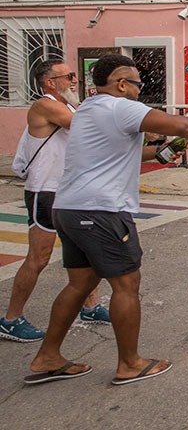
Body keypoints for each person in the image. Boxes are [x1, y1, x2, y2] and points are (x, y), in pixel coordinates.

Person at [26, 54, 188, 386]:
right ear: (122, 83)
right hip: (101, 211)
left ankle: (47, 357)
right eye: (138, 83)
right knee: (126, 285)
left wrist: (161, 153)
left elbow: (120, 150)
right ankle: (130, 363)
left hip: (69, 208)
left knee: (80, 283)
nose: (140, 90)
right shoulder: (119, 106)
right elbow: (183, 125)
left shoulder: (88, 108)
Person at [2, 60, 110, 343]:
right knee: (38, 258)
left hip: (72, 190)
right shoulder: (44, 105)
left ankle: (90, 307)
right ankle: (11, 319)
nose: (75, 80)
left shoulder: (73, 106)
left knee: (86, 250)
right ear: (51, 82)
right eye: (69, 76)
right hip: (46, 190)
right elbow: (84, 126)